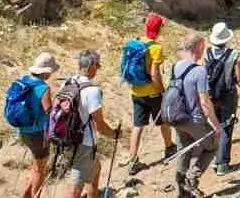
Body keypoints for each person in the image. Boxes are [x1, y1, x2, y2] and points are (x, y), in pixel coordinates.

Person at [65, 50, 121, 198]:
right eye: (97, 65)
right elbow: (100, 125)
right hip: (84, 142)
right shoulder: (92, 91)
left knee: (96, 167)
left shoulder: (69, 82)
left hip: (66, 136)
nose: (98, 69)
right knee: (76, 186)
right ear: (90, 65)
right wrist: (114, 134)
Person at [124, 13, 176, 174]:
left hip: (136, 90)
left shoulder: (134, 43)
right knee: (163, 121)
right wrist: (162, 90)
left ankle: (132, 159)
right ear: (159, 29)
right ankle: (169, 147)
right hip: (152, 92)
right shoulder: (156, 48)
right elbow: (154, 73)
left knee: (138, 125)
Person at [172, 34, 222, 197]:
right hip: (194, 119)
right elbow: (205, 102)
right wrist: (215, 125)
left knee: (183, 150)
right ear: (198, 48)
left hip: (178, 117)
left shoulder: (176, 66)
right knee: (212, 145)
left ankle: (181, 191)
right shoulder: (200, 71)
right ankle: (191, 179)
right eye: (203, 47)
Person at [18, 53, 59, 198]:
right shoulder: (43, 87)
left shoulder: (23, 80)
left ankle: (27, 195)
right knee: (40, 170)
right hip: (38, 133)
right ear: (46, 71)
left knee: (36, 165)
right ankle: (36, 195)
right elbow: (49, 110)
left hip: (23, 130)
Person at [205, 23, 240, 176]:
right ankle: (222, 163)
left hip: (211, 95)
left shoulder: (207, 54)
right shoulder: (234, 54)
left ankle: (213, 158)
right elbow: (239, 78)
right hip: (228, 95)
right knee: (227, 126)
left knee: (215, 125)